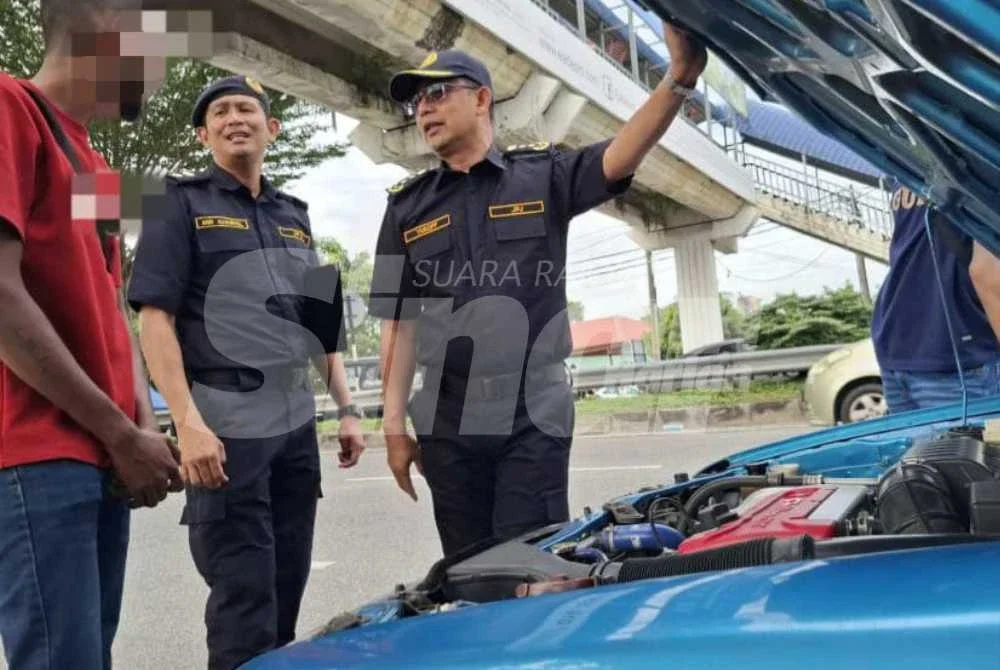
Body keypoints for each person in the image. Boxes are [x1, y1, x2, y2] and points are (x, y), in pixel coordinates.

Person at [369, 25, 708, 558]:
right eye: (416, 101)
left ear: (482, 99)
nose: (424, 108)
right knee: (468, 568)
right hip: (446, 415)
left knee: (532, 564)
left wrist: (679, 79)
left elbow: (620, 155)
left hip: (532, 408)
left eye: (437, 92)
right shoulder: (405, 208)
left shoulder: (542, 176)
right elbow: (397, 323)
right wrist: (392, 428)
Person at [126, 75, 366, 669]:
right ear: (204, 135)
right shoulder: (177, 203)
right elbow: (155, 319)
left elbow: (321, 323)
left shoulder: (296, 216)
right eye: (220, 113)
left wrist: (347, 408)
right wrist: (188, 423)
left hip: (294, 423)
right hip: (225, 425)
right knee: (244, 604)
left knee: (286, 592)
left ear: (271, 128)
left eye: (246, 109)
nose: (235, 118)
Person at [0, 1, 181, 668]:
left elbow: (111, 308)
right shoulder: (9, 106)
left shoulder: (98, 170)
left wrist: (141, 428)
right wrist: (120, 433)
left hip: (104, 456)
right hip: (37, 456)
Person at [871, 184, 1000, 412]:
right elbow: (987, 273)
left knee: (921, 438)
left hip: (895, 340)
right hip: (954, 354)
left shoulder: (908, 168)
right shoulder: (983, 167)